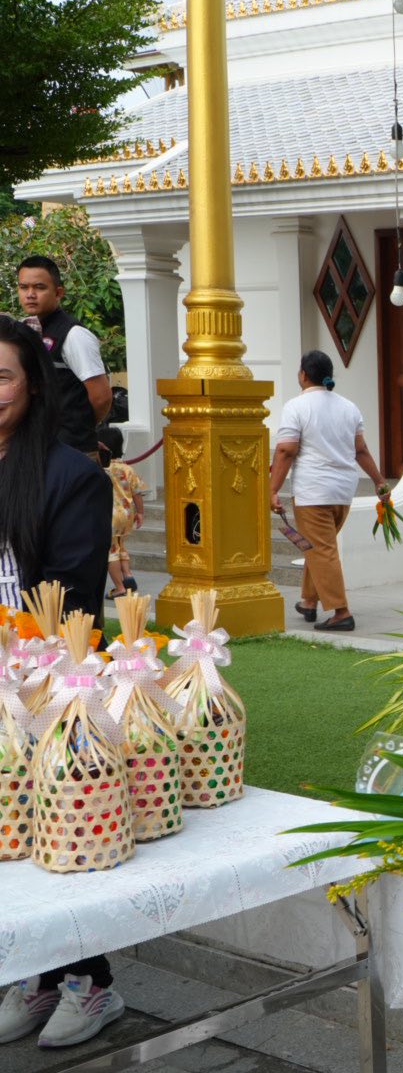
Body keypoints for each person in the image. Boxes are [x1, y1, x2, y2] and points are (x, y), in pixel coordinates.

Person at [0, 314, 121, 1049]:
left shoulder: (71, 475)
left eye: (2, 376)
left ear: (32, 385)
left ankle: (90, 978)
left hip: (51, 689)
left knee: (60, 838)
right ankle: (31, 970)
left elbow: (71, 595)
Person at [266, 350, 389, 632]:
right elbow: (361, 450)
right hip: (344, 490)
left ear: (303, 375)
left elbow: (286, 450)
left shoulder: (297, 406)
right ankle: (309, 602)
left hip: (313, 491)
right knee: (319, 546)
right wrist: (380, 481)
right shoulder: (349, 407)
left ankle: (341, 612)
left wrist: (273, 490)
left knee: (321, 549)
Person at [16, 256, 111, 455]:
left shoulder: (74, 334)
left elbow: (101, 397)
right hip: (39, 447)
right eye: (24, 287)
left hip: (73, 451)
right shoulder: (28, 330)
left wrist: (79, 428)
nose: (30, 294)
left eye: (39, 287)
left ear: (58, 292)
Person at [98, 425, 145, 600]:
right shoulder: (128, 469)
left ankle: (119, 587)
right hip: (126, 514)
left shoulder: (103, 468)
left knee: (110, 551)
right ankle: (128, 575)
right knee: (120, 545)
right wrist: (140, 513)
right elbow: (137, 493)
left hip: (108, 514)